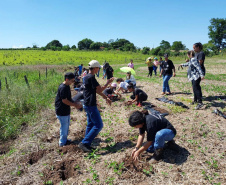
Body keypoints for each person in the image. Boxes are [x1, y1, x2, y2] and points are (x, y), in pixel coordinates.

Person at [79, 60, 114, 152]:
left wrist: (105, 98)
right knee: (98, 125)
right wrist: (108, 83)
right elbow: (99, 90)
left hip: (87, 103)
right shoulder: (91, 78)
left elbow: (95, 91)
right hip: (90, 104)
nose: (99, 69)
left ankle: (87, 143)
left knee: (90, 124)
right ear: (95, 68)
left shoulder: (86, 77)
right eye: (98, 68)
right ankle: (85, 143)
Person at [55, 72, 82, 147]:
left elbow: (69, 99)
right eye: (72, 81)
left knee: (66, 126)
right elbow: (64, 100)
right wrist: (75, 105)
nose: (73, 82)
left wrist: (75, 103)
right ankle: (62, 143)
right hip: (61, 110)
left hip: (65, 110)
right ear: (67, 79)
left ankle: (65, 140)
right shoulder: (63, 87)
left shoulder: (66, 86)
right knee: (64, 126)